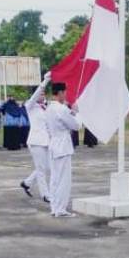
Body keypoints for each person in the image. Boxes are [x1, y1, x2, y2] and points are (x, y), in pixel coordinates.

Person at [46, 82, 81, 217]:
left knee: (55, 178)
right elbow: (76, 126)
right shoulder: (61, 108)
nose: (66, 94)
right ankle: (60, 209)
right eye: (65, 92)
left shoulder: (49, 108)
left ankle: (54, 207)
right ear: (60, 93)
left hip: (54, 144)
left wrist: (70, 112)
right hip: (63, 146)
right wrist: (76, 113)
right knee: (64, 180)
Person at [20, 73, 52, 203]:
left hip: (46, 141)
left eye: (44, 94)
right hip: (36, 141)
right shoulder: (30, 105)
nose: (42, 95)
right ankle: (45, 194)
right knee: (41, 169)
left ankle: (27, 183)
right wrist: (45, 81)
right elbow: (35, 94)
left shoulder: (45, 107)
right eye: (41, 93)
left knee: (47, 167)